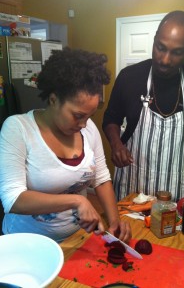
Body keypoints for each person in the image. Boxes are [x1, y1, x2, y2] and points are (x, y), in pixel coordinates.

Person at [0, 47, 131, 243]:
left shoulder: (88, 129)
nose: (84, 124)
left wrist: (114, 222)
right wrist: (77, 200)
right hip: (27, 243)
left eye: (90, 116)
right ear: (53, 99)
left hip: (77, 241)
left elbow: (101, 179)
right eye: (78, 116)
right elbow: (13, 199)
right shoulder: (18, 129)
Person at [102, 10, 184, 202]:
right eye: (160, 48)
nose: (165, 59)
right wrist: (116, 144)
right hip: (132, 186)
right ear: (154, 39)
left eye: (177, 52)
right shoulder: (129, 77)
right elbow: (111, 119)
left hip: (174, 190)